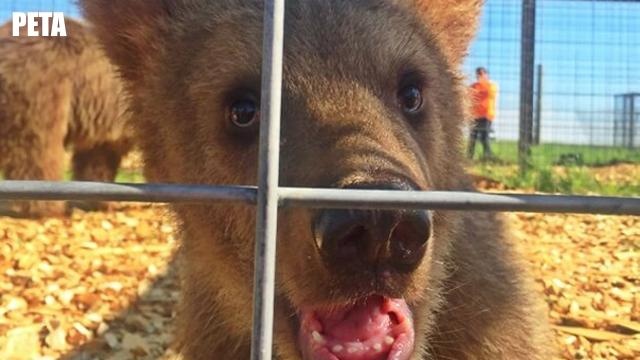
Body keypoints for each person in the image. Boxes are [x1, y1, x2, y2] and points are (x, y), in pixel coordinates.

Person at [468, 67, 498, 160]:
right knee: (473, 137)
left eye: (481, 73)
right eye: (478, 73)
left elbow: (488, 94)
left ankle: (487, 156)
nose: (479, 75)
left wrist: (480, 87)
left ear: (486, 74)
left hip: (486, 115)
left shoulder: (491, 86)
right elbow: (469, 95)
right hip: (475, 116)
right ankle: (470, 156)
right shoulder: (473, 86)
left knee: (484, 137)